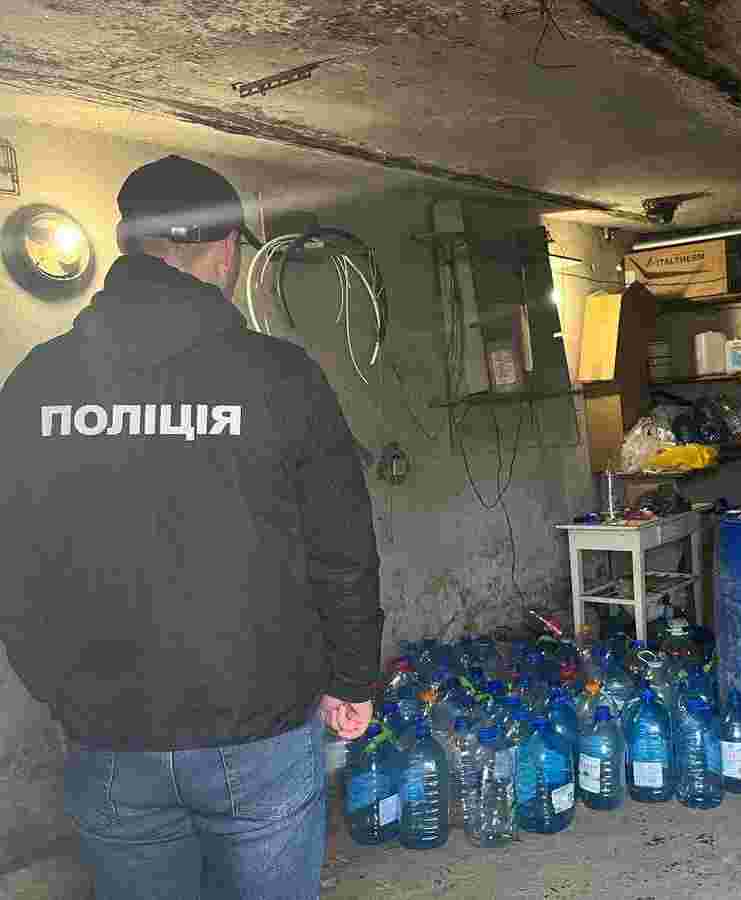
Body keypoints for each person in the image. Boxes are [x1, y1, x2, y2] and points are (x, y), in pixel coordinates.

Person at [0, 155, 383, 900]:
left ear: (127, 244)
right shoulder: (280, 377)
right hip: (261, 728)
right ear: (225, 250)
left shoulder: (37, 383)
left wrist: (64, 692)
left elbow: (11, 561)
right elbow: (341, 548)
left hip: (110, 734)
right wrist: (352, 678)